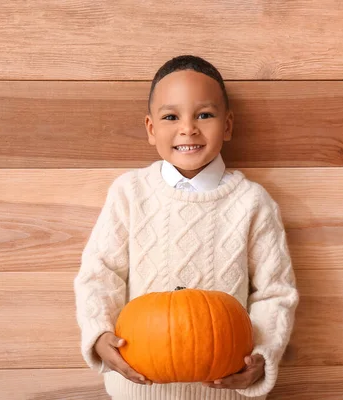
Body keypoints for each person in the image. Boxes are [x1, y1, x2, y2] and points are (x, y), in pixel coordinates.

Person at [74, 55, 299, 400]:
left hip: (226, 390)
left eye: (204, 115)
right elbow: (99, 273)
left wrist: (262, 357)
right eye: (171, 117)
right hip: (136, 387)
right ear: (151, 129)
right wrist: (100, 333)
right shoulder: (130, 193)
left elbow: (275, 293)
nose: (188, 128)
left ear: (227, 125)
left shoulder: (253, 203)